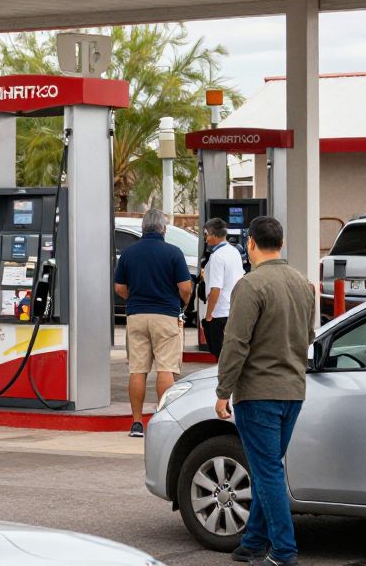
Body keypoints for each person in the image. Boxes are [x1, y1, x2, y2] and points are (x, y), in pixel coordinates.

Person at [215, 216, 314, 566]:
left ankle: (284, 551)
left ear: (251, 244)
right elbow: (309, 337)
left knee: (267, 471)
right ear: (281, 244)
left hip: (258, 393)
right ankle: (254, 541)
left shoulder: (251, 285)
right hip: (294, 391)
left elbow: (236, 342)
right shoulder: (303, 283)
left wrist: (223, 390)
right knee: (265, 467)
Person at [114, 209, 192, 438]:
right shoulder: (173, 252)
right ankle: (163, 420)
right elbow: (186, 287)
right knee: (165, 369)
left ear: (143, 227)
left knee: (137, 370)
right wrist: (182, 302)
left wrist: (136, 299)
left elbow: (119, 287)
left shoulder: (129, 253)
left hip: (136, 316)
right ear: (163, 228)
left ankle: (136, 423)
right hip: (165, 316)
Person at [200, 217, 245, 358]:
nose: (205, 239)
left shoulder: (217, 257)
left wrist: (208, 316)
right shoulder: (234, 252)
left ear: (213, 234)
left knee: (220, 356)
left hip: (219, 314)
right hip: (233, 310)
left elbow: (215, 289)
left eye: (206, 235)